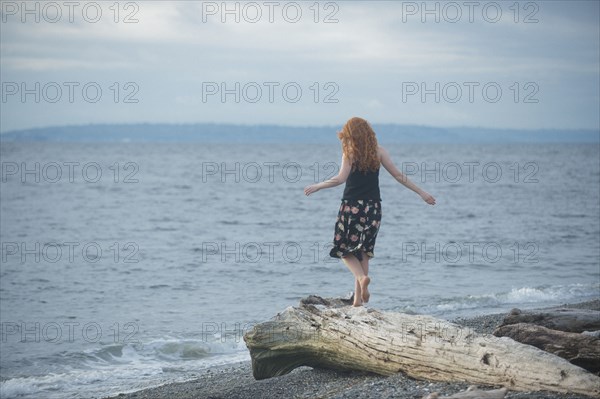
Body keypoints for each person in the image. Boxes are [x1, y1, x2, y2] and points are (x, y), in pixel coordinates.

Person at [304, 117, 436, 307]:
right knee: (364, 251)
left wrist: (318, 185)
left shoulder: (349, 153)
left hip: (352, 207)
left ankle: (361, 278)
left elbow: (340, 179)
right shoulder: (379, 151)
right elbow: (399, 176)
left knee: (343, 250)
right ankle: (357, 301)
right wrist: (422, 193)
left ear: (351, 134)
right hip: (373, 207)